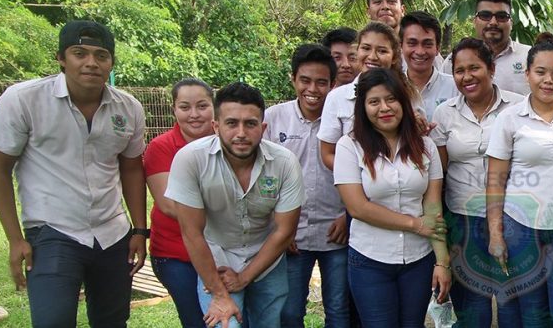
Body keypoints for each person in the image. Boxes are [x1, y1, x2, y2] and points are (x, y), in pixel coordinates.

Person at [0, 20, 147, 327]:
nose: (91, 63)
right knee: (53, 321)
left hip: (112, 233)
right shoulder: (23, 99)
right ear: (61, 58)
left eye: (101, 55)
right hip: (53, 231)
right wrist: (14, 238)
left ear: (111, 62)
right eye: (79, 53)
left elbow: (131, 168)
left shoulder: (128, 108)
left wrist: (139, 230)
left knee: (112, 321)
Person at [165, 82, 305, 328]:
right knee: (225, 324)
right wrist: (220, 294)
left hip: (267, 257)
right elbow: (192, 232)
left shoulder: (285, 163)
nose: (241, 132)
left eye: (250, 124)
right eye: (231, 123)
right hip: (217, 258)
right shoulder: (190, 160)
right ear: (216, 126)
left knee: (270, 324)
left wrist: (244, 278)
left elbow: (285, 231)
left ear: (263, 128)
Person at [485, 33, 553, 328]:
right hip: (520, 229)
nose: (549, 80)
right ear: (528, 75)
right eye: (541, 72)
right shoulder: (509, 119)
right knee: (532, 310)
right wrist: (496, 234)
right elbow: (495, 180)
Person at [333, 68, 451, 327]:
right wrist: (415, 224)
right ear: (363, 108)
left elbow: (432, 207)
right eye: (374, 101)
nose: (384, 108)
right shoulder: (349, 146)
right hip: (370, 259)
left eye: (391, 99)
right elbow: (358, 208)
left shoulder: (426, 147)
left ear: (403, 102)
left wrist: (442, 262)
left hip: (418, 260)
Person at [430, 37, 526, 327]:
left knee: (511, 298)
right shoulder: (444, 112)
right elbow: (440, 169)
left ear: (491, 68)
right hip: (462, 218)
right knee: (472, 305)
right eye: (460, 70)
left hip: (512, 216)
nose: (467, 76)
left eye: (475, 68)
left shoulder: (518, 107)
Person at [266, 44, 349, 328]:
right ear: (293, 79)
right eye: (305, 80)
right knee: (290, 312)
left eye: (321, 82)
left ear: (333, 83)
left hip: (337, 233)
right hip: (291, 235)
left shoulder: (345, 120)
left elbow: (360, 172)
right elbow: (262, 175)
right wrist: (279, 227)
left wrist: (347, 215)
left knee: (339, 311)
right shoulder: (272, 118)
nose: (313, 89)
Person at [145, 78, 215, 328]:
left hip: (223, 251)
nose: (194, 115)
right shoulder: (160, 147)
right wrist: (227, 216)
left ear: (213, 107)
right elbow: (168, 205)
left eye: (202, 106)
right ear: (174, 109)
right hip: (176, 254)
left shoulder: (230, 142)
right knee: (196, 321)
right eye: (185, 107)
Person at [319, 22, 405, 172]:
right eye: (365, 48)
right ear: (357, 51)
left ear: (394, 57)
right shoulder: (336, 98)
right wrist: (361, 178)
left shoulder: (408, 94)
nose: (372, 56)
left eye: (382, 51)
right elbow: (328, 154)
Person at [441, 0, 532, 95]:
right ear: (474, 21)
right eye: (485, 15)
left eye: (501, 17)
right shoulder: (454, 60)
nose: (493, 22)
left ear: (511, 23)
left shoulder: (530, 56)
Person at [400, 11, 458, 119]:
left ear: (437, 48)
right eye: (412, 43)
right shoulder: (391, 87)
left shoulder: (455, 88)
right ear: (401, 46)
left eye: (427, 44)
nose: (420, 51)